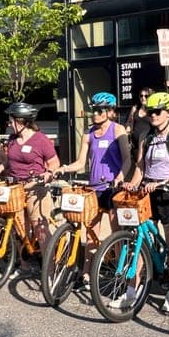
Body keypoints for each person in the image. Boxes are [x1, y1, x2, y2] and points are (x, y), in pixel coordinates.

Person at [118, 92, 169, 314]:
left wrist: (165, 182)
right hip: (148, 192)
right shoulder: (146, 137)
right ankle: (131, 290)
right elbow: (140, 167)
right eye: (149, 112)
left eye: (157, 112)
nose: (152, 115)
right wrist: (132, 184)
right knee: (139, 242)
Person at [57, 92, 132, 289]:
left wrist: (121, 177)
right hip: (94, 188)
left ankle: (120, 273)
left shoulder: (118, 130)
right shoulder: (89, 134)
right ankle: (86, 275)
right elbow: (81, 162)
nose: (95, 114)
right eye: (94, 110)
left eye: (100, 110)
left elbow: (127, 160)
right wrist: (64, 168)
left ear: (110, 112)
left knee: (117, 233)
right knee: (90, 233)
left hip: (113, 188)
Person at [5, 102, 61, 271]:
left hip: (36, 188)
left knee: (40, 229)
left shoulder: (40, 140)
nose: (8, 123)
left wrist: (48, 173)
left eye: (10, 120)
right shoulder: (12, 140)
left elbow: (54, 162)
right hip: (16, 188)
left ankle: (50, 269)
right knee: (20, 228)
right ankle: (25, 264)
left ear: (20, 121)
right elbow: (9, 161)